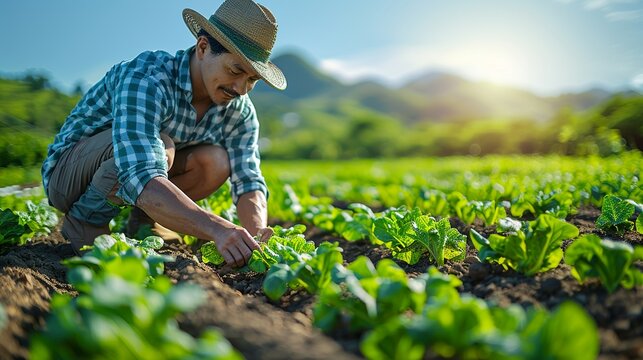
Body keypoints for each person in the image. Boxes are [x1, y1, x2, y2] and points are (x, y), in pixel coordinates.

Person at [41, 0, 287, 268]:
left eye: (252, 80)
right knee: (162, 145)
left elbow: (249, 180)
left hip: (131, 177)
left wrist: (257, 234)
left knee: (215, 161)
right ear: (203, 47)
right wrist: (217, 228)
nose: (241, 88)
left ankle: (146, 220)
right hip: (68, 176)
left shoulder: (239, 111)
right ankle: (86, 220)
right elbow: (140, 173)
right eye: (235, 70)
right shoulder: (148, 76)